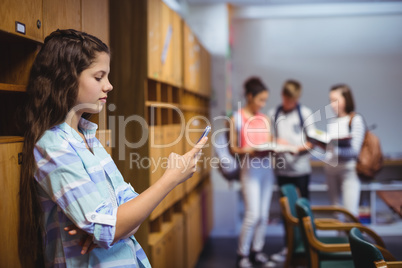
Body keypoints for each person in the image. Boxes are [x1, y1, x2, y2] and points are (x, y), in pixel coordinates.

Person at [18, 29, 207, 267]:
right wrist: (171, 178)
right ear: (65, 78)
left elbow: (129, 213)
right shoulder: (52, 145)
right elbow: (112, 227)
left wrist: (115, 225)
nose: (109, 86)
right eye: (99, 77)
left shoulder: (89, 138)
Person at [230, 77, 276, 268]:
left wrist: (274, 147)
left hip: (267, 168)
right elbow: (233, 147)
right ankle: (242, 254)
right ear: (250, 96)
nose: (263, 104)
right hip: (250, 168)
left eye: (265, 100)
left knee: (264, 215)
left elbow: (271, 140)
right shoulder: (237, 118)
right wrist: (247, 150)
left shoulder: (264, 118)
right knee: (253, 214)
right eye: (260, 100)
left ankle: (257, 250)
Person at [267, 79, 315, 263]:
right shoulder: (274, 113)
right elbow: (270, 137)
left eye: (294, 100)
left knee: (303, 210)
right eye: (288, 99)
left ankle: (307, 247)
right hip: (282, 171)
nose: (291, 103)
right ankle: (288, 248)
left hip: (301, 170)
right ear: (283, 96)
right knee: (286, 212)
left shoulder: (305, 113)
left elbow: (312, 142)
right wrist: (276, 143)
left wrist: (295, 147)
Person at [324, 84, 365, 217]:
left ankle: (350, 239)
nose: (332, 104)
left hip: (348, 171)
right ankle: (340, 239)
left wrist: (336, 152)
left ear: (346, 99)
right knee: (336, 213)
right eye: (330, 100)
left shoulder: (355, 119)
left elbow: (354, 151)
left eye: (336, 100)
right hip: (331, 170)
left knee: (350, 214)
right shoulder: (332, 121)